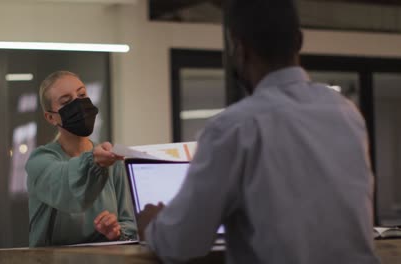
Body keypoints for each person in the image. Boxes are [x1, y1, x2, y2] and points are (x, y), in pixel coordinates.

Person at [136, 0, 380, 263]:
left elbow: (181, 243)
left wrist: (153, 225)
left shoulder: (235, 127)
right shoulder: (346, 113)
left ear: (240, 50)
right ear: (299, 41)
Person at [26, 71, 136, 247]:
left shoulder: (111, 162)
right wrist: (94, 162)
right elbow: (68, 188)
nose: (78, 103)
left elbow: (130, 223)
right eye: (66, 101)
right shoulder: (40, 162)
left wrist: (115, 231)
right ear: (51, 117)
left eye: (82, 94)